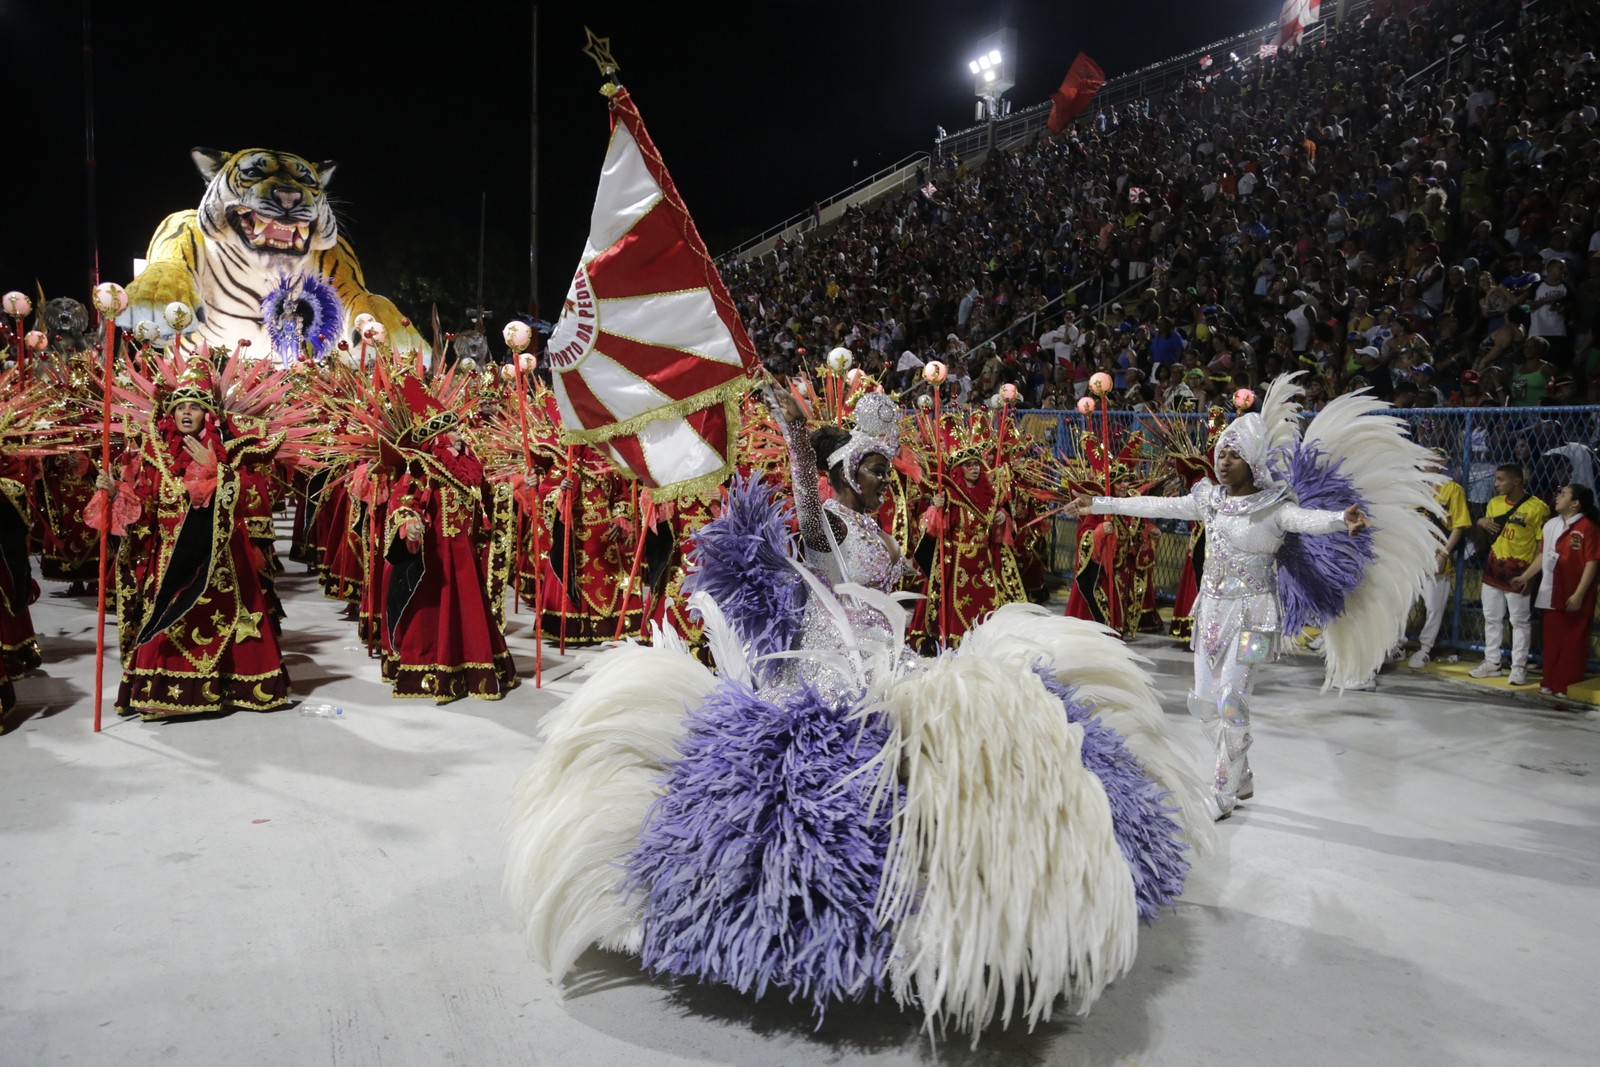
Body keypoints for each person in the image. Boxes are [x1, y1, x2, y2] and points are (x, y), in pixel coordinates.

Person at [505, 378, 1211, 1037]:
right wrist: (796, 433)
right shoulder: (832, 524)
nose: (883, 482)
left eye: (885, 471)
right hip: (826, 674)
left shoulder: (871, 526)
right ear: (843, 471)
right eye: (873, 469)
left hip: (884, 663)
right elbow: (809, 518)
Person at [1070, 425, 1368, 818]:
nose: (1223, 463)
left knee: (1232, 702)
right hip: (1209, 612)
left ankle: (1223, 792)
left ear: (1253, 462)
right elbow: (1155, 506)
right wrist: (1097, 504)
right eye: (1221, 454)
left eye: (1234, 455)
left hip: (1258, 620)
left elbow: (1306, 520)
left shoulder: (1274, 508)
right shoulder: (1208, 501)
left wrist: (1339, 520)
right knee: (1204, 703)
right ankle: (1241, 775)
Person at [90, 360, 292, 721]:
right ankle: (163, 690)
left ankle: (230, 687)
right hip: (169, 556)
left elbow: (248, 495)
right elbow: (143, 503)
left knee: (230, 618)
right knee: (168, 618)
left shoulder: (229, 449)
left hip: (219, 555)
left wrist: (217, 469)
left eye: (195, 406)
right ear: (171, 413)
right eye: (180, 406)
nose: (187, 412)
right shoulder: (153, 452)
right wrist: (115, 494)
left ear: (208, 415)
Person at [1514, 483, 1600, 698]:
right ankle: (1549, 680)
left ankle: (1564, 684)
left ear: (1575, 503)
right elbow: (1544, 555)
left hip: (1574, 592)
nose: (1557, 497)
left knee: (1573, 641)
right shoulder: (1551, 525)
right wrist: (1526, 576)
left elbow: (1592, 563)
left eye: (1563, 494)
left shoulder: (1588, 527)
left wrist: (1579, 594)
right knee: (1552, 640)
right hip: (1551, 590)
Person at [1471, 463, 1551, 686]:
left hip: (1519, 572)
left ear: (1516, 481)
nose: (1496, 484)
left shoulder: (1537, 508)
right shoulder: (1494, 504)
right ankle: (1492, 662)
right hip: (1494, 569)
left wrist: (1531, 577)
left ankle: (1518, 667)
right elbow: (1487, 537)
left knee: (1519, 621)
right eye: (1496, 479)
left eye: (1500, 479)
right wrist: (1481, 521)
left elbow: (1540, 546)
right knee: (1492, 618)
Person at [1409, 458, 1474, 668]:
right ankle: (1397, 644)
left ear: (1440, 464)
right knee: (1403, 602)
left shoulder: (1452, 489)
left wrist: (1445, 553)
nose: (1423, 463)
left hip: (1437, 552)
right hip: (1414, 551)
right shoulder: (1416, 488)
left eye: (1428, 460)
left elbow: (1459, 525)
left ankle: (1425, 648)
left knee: (1433, 605)